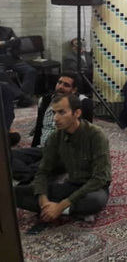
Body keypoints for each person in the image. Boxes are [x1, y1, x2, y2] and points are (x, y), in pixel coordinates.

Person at [14, 94, 112, 223]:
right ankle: (66, 210)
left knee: (95, 201)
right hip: (71, 185)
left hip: (93, 188)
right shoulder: (55, 137)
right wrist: (43, 200)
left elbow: (100, 178)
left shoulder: (96, 135)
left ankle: (63, 210)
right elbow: (43, 171)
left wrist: (60, 206)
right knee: (14, 194)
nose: (55, 118)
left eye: (61, 112)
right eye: (54, 113)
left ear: (77, 113)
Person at [11, 72, 94, 184]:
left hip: (64, 152)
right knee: (8, 157)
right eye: (59, 83)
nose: (60, 87)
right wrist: (33, 147)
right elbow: (39, 127)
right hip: (42, 148)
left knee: (41, 166)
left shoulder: (83, 103)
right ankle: (31, 176)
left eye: (66, 85)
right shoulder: (45, 100)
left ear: (74, 90)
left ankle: (30, 177)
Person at [0, 24, 36, 106]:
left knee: (31, 71)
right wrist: (9, 42)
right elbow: (12, 42)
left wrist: (3, 43)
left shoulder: (7, 30)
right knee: (0, 73)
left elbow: (17, 42)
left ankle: (25, 98)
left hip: (11, 58)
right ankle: (22, 96)